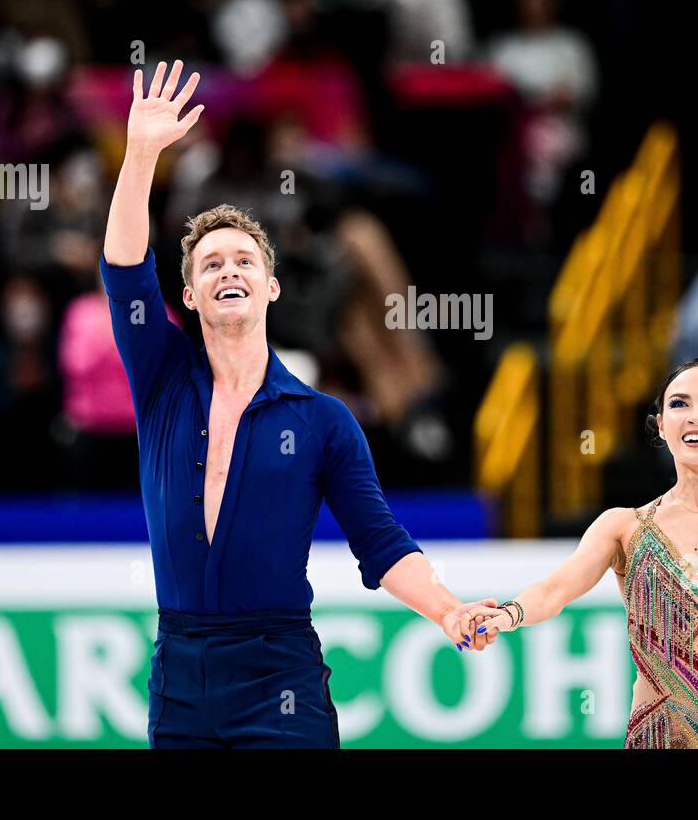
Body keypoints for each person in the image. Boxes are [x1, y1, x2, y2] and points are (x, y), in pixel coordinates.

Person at [100, 60, 496, 749]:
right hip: (179, 682)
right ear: (188, 297)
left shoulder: (321, 421)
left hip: (278, 678)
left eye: (244, 261)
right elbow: (125, 273)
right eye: (211, 264)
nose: (228, 270)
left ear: (272, 289)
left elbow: (381, 543)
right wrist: (139, 158)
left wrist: (447, 610)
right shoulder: (163, 382)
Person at [456, 210, 698, 748]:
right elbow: (556, 588)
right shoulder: (624, 527)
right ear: (661, 426)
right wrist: (509, 613)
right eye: (680, 404)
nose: (696, 415)